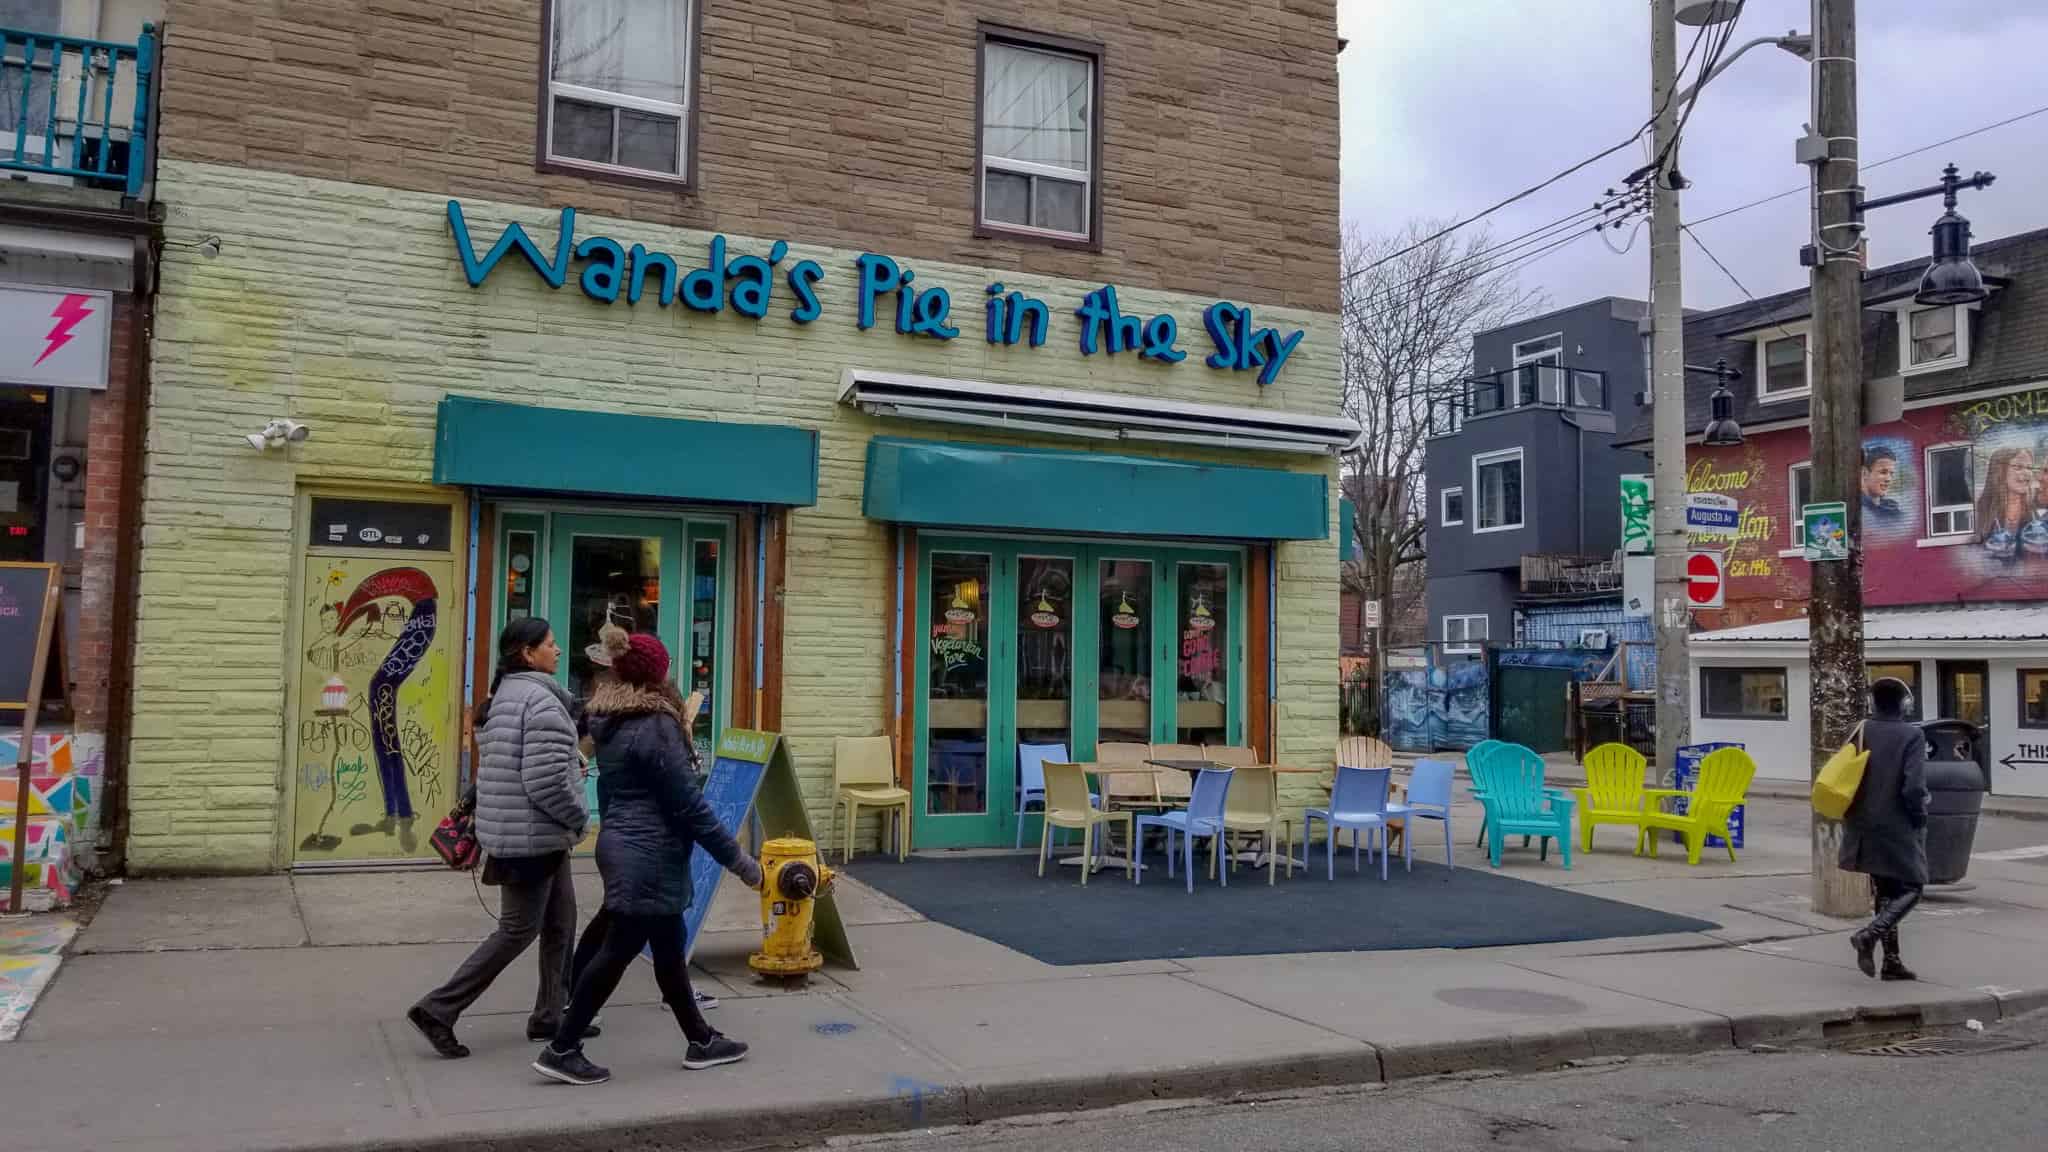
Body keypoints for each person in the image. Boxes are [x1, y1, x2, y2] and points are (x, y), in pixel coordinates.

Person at [535, 633, 761, 1086]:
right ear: (657, 674)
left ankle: (700, 1039)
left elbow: (615, 791)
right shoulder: (656, 725)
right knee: (619, 949)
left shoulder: (610, 719)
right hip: (649, 853)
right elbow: (689, 806)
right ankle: (562, 1047)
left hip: (625, 844)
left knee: (669, 948)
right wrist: (740, 861)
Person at [410, 618, 589, 1058]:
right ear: (527, 653)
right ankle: (438, 1008)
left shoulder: (503, 697)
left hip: (526, 832)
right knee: (517, 930)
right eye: (551, 643)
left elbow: (499, 768)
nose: (559, 650)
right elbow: (546, 782)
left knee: (562, 922)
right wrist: (579, 817)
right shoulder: (541, 704)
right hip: (531, 835)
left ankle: (551, 1014)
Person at [564, 623, 720, 1014]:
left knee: (647, 924)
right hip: (646, 839)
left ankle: (687, 1017)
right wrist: (738, 859)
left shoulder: (624, 708)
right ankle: (569, 1026)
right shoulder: (642, 714)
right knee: (622, 930)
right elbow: (680, 793)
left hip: (631, 832)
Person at [1842, 676, 1930, 982]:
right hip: (1896, 823)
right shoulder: (1911, 735)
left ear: (1872, 702)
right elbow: (1914, 787)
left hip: (1862, 822)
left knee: (1886, 890)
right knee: (1914, 885)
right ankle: (1870, 935)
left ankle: (1891, 961)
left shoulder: (1860, 730)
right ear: (1905, 704)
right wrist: (1919, 816)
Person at [1858, 445, 1902, 522]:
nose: (1888, 479)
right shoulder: (1857, 510)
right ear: (1865, 473)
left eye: (1891, 473)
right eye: (1883, 472)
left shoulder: (1894, 511)